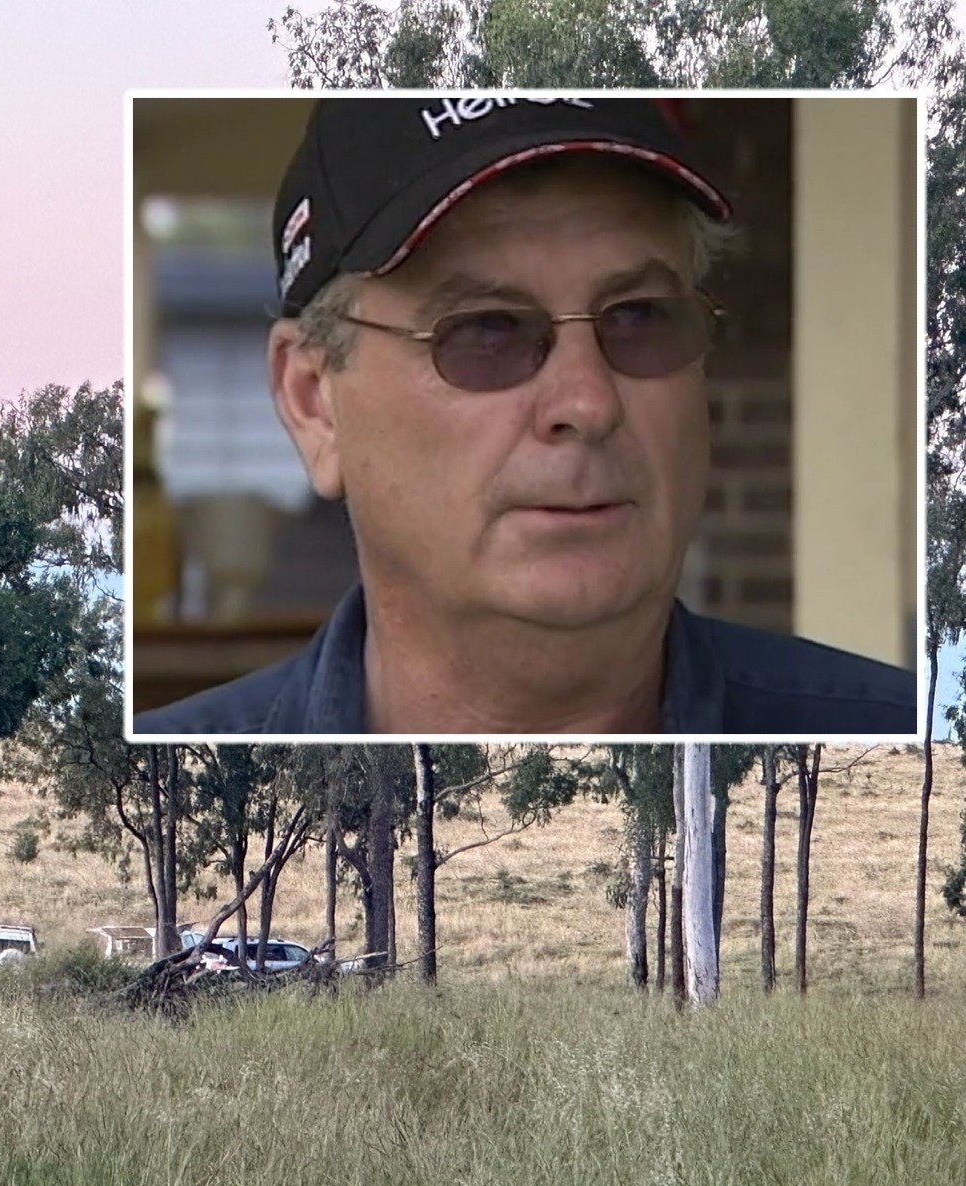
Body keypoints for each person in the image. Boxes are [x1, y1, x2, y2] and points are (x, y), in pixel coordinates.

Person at [133, 96, 916, 737]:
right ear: (314, 402)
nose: (587, 401)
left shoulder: (895, 738)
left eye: (640, 317)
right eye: (485, 332)